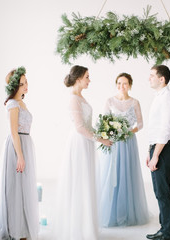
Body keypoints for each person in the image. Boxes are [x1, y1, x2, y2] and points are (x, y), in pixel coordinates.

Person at [55, 65, 112, 240]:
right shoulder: (74, 99)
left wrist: (103, 132)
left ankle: (86, 225)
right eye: (87, 77)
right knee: (80, 181)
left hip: (87, 142)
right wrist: (101, 139)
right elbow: (79, 127)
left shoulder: (81, 97)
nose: (89, 80)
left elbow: (87, 124)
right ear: (79, 78)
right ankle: (79, 229)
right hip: (79, 143)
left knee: (87, 181)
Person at [0, 67, 39, 240]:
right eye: (21, 84)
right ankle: (14, 228)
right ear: (14, 86)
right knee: (14, 188)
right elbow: (13, 132)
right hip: (16, 146)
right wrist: (20, 155)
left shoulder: (22, 103)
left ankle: (23, 227)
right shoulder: (12, 104)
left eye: (26, 82)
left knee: (23, 187)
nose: (26, 86)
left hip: (25, 143)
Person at [99, 73, 149, 227]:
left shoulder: (135, 102)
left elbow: (140, 124)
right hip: (113, 142)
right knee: (111, 174)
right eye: (119, 83)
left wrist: (128, 132)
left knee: (127, 174)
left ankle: (127, 212)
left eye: (125, 83)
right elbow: (104, 121)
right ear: (116, 84)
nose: (122, 86)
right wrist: (111, 132)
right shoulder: (109, 101)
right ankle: (110, 212)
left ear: (130, 85)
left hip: (128, 142)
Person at [146, 65, 170, 240]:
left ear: (162, 79)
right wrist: (149, 152)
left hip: (165, 149)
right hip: (157, 148)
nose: (149, 78)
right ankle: (164, 229)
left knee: (163, 192)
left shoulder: (167, 98)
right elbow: (154, 129)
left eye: (152, 75)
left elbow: (165, 130)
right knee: (160, 192)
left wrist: (156, 154)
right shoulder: (158, 97)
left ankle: (167, 232)